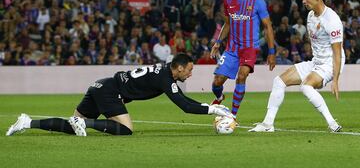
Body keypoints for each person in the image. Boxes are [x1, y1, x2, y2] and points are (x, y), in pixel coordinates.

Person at [6, 53, 232, 136]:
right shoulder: (166, 78)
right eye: (190, 70)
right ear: (179, 67)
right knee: (125, 130)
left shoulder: (163, 72)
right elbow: (184, 106)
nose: (191, 74)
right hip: (110, 91)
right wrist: (213, 108)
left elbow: (184, 100)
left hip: (99, 85)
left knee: (72, 127)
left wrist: (207, 106)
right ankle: (86, 123)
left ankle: (27, 122)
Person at [249, 0, 345, 133]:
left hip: (330, 63)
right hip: (317, 61)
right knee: (279, 81)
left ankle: (332, 123)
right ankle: (267, 124)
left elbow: (338, 53)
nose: (303, 1)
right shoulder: (311, 16)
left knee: (306, 86)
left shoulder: (332, 20)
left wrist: (336, 80)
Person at [210, 0, 276, 120]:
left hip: (249, 47)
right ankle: (219, 98)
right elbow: (227, 23)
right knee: (217, 82)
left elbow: (268, 26)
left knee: (242, 76)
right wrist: (218, 42)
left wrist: (272, 52)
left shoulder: (258, 2)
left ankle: (232, 116)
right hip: (232, 48)